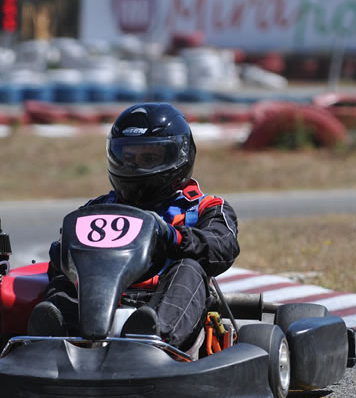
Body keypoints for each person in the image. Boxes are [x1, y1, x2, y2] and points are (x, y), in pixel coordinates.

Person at [28, 102, 239, 350]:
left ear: (179, 156)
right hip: (99, 297)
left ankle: (153, 338)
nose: (136, 167)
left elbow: (222, 248)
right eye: (128, 158)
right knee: (66, 278)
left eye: (148, 158)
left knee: (189, 267)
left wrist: (174, 238)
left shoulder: (206, 208)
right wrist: (65, 252)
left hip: (164, 299)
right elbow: (59, 263)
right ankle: (55, 338)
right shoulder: (97, 209)